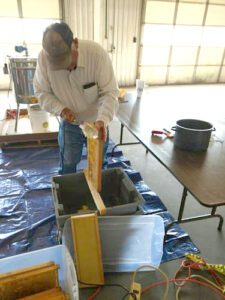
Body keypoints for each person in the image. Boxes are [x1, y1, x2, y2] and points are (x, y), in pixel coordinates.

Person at [33, 22, 119, 174]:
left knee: (98, 164)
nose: (67, 68)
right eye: (60, 66)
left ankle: (97, 192)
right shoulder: (43, 59)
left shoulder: (97, 55)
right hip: (69, 122)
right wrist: (62, 109)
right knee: (68, 162)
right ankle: (67, 191)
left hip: (97, 121)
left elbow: (110, 92)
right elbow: (41, 92)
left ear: (76, 43)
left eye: (69, 62)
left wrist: (103, 119)